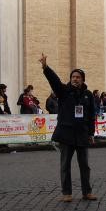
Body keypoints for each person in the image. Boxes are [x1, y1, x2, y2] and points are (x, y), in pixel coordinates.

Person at [40, 53, 97, 202]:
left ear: (82, 79)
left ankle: (87, 192)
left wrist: (91, 133)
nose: (75, 79)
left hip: (82, 134)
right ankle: (67, 193)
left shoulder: (88, 95)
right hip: (66, 133)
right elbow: (55, 81)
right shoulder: (63, 91)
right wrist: (46, 67)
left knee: (85, 166)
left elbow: (92, 115)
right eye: (73, 77)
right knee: (65, 165)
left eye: (78, 77)